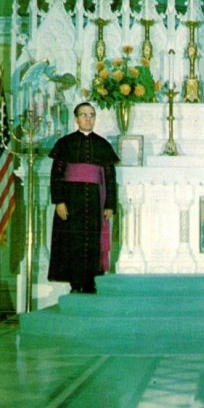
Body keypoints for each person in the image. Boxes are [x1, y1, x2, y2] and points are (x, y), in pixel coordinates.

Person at [47, 102, 119, 294]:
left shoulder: (103, 145)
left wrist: (110, 204)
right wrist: (59, 201)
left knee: (92, 241)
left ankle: (90, 282)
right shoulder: (65, 143)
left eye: (92, 115)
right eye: (84, 115)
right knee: (73, 242)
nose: (88, 119)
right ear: (76, 118)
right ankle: (75, 283)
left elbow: (110, 178)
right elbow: (56, 175)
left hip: (95, 200)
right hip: (71, 200)